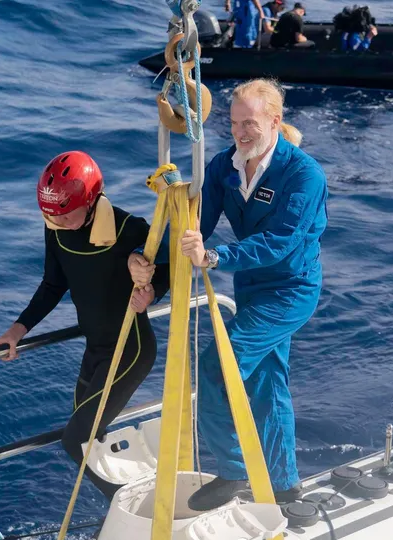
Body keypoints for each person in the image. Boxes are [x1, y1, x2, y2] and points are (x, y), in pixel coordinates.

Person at [128, 78, 328, 510]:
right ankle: (286, 488)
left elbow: (282, 241)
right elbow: (193, 225)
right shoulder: (223, 166)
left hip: (290, 291)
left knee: (219, 364)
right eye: (235, 123)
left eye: (250, 124)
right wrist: (149, 261)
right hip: (250, 286)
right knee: (268, 383)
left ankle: (235, 471)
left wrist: (215, 257)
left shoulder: (304, 175)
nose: (240, 132)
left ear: (275, 122)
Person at [0, 151, 170, 501]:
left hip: (130, 349)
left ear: (90, 201)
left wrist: (151, 292)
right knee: (91, 438)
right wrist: (18, 329)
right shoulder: (56, 229)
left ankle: (130, 508)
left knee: (75, 440)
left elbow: (169, 260)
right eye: (49, 215)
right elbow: (52, 285)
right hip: (95, 350)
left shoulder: (126, 228)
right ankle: (133, 501)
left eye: (63, 214)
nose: (55, 221)